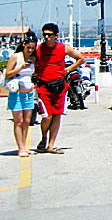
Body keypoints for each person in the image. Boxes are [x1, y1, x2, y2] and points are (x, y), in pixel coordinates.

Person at [34, 23, 85, 154]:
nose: (46, 37)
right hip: (43, 87)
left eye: (49, 35)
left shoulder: (64, 48)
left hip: (59, 87)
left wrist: (67, 69)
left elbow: (80, 59)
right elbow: (31, 60)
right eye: (44, 34)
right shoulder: (39, 49)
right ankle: (44, 137)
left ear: (56, 36)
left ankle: (51, 145)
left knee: (57, 115)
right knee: (47, 116)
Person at [6, 34, 37, 156]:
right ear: (23, 45)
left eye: (32, 48)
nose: (30, 50)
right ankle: (20, 147)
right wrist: (20, 68)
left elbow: (35, 73)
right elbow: (8, 74)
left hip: (28, 93)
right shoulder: (16, 57)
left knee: (27, 120)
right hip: (17, 93)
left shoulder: (33, 58)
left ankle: (25, 146)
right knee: (18, 121)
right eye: (28, 47)